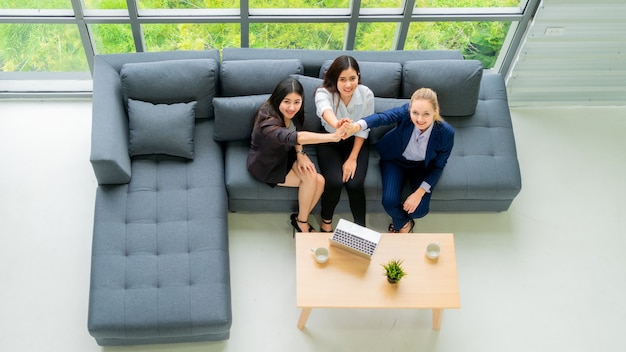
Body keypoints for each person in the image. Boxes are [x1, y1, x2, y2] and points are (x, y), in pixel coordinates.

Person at [344, 88, 454, 233]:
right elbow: (382, 117)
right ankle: (403, 224)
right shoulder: (405, 113)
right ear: (410, 110)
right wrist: (357, 126)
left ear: (435, 111)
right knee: (389, 202)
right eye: (415, 113)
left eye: (426, 114)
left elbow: (438, 167)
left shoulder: (446, 133)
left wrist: (419, 193)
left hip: (422, 167)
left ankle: (400, 223)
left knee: (419, 211)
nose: (419, 119)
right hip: (395, 160)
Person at [247, 78, 346, 233]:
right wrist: (333, 137)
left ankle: (301, 220)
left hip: (287, 155)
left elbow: (295, 132)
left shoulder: (294, 113)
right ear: (278, 99)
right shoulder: (267, 123)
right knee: (314, 180)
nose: (292, 107)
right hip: (268, 165)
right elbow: (295, 137)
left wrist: (300, 154)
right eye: (287, 102)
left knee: (320, 181)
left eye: (297, 102)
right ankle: (302, 223)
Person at [315, 55, 374, 232]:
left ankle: (360, 228)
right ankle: (326, 222)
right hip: (329, 139)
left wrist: (353, 158)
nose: (348, 85)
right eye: (342, 80)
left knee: (355, 184)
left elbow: (364, 128)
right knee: (334, 182)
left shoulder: (366, 94)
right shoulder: (323, 92)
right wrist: (337, 125)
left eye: (352, 79)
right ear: (335, 79)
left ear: (358, 76)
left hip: (356, 141)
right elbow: (325, 110)